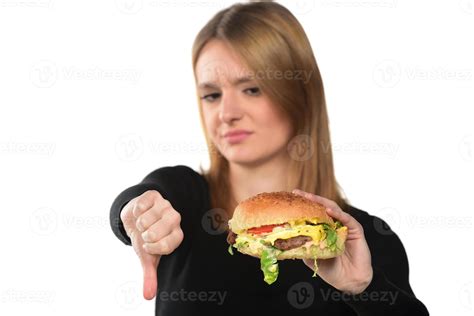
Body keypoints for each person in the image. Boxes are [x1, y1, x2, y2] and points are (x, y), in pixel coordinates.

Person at [109, 1, 430, 315]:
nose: (227, 113)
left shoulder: (366, 238)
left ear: (299, 96)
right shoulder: (183, 200)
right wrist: (137, 213)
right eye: (211, 95)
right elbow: (142, 198)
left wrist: (365, 288)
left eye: (252, 89)